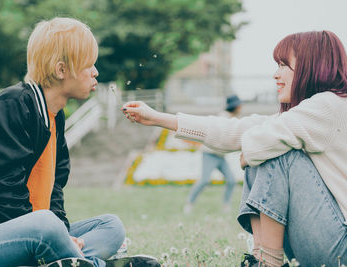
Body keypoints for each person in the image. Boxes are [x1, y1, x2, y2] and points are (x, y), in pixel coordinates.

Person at [122, 30, 347, 266]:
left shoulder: (329, 106)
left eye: (283, 65)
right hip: (327, 242)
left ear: (309, 67)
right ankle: (260, 257)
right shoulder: (307, 114)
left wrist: (248, 153)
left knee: (274, 150)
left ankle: (266, 261)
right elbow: (235, 131)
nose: (276, 74)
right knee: (268, 143)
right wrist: (158, 118)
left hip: (339, 246)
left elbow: (257, 141)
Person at [0, 17, 159, 267]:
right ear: (61, 70)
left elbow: (54, 190)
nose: (96, 72)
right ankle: (88, 263)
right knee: (46, 224)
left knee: (111, 226)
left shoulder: (55, 116)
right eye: (88, 65)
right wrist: (57, 234)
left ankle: (68, 260)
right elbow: (7, 190)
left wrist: (64, 235)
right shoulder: (14, 106)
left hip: (33, 234)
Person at [183, 95, 242, 214]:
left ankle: (226, 205)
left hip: (220, 156)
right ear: (235, 106)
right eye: (239, 105)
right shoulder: (224, 117)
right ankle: (189, 203)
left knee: (231, 180)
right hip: (209, 154)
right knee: (204, 180)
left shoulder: (233, 118)